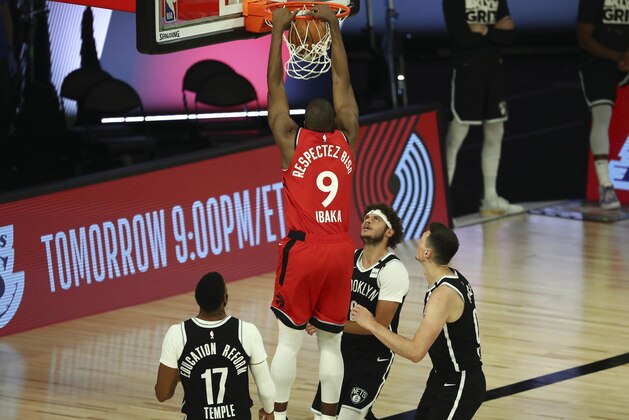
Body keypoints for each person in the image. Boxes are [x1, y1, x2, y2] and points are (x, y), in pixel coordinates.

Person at [266, 4, 360, 420]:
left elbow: (274, 87)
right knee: (331, 345)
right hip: (341, 249)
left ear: (301, 123)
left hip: (305, 250)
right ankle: (329, 417)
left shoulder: (290, 140)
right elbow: (342, 78)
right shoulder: (348, 137)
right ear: (336, 122)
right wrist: (334, 28)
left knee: (288, 343)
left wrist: (278, 33)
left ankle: (280, 415)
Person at [351, 222, 485, 419]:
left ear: (427, 254)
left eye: (421, 241)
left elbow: (415, 352)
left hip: (460, 381)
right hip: (441, 376)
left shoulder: (442, 295)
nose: (417, 244)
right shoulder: (452, 277)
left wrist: (371, 324)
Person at [310, 203, 410, 420]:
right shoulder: (349, 258)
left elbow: (379, 326)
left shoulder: (393, 270)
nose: (367, 221)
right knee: (322, 416)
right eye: (366, 217)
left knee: (349, 417)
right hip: (341, 348)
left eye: (376, 219)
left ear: (389, 232)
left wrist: (329, 324)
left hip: (373, 356)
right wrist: (317, 315)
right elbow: (329, 295)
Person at [155, 272, 276, 420]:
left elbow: (162, 394)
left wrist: (184, 375)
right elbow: (265, 386)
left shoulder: (177, 334)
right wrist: (269, 410)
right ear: (225, 300)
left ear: (197, 299)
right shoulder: (247, 331)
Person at [442, 0, 523, 216]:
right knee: (457, 135)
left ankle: (490, 197)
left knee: (496, 132)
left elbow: (509, 36)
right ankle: (441, 205)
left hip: (494, 72)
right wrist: (494, 31)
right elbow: (462, 38)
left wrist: (484, 30)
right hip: (467, 71)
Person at [577, 0, 629, 210]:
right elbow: (584, 38)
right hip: (598, 62)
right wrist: (617, 56)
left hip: (625, 56)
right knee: (602, 115)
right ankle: (605, 184)